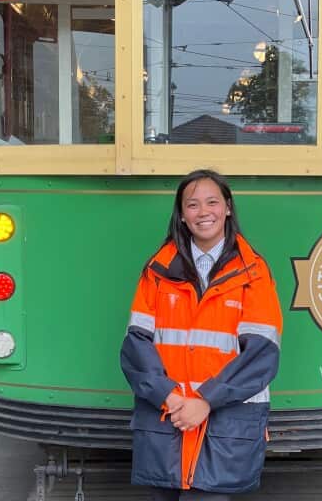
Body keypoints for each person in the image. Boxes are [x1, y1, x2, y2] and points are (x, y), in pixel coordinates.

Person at [121, 169, 283, 500]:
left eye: (212, 202)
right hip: (168, 419)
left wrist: (206, 401)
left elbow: (261, 355)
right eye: (192, 205)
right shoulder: (157, 271)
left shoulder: (254, 273)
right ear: (182, 215)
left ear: (227, 208)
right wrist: (169, 396)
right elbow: (136, 345)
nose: (203, 212)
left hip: (223, 426)